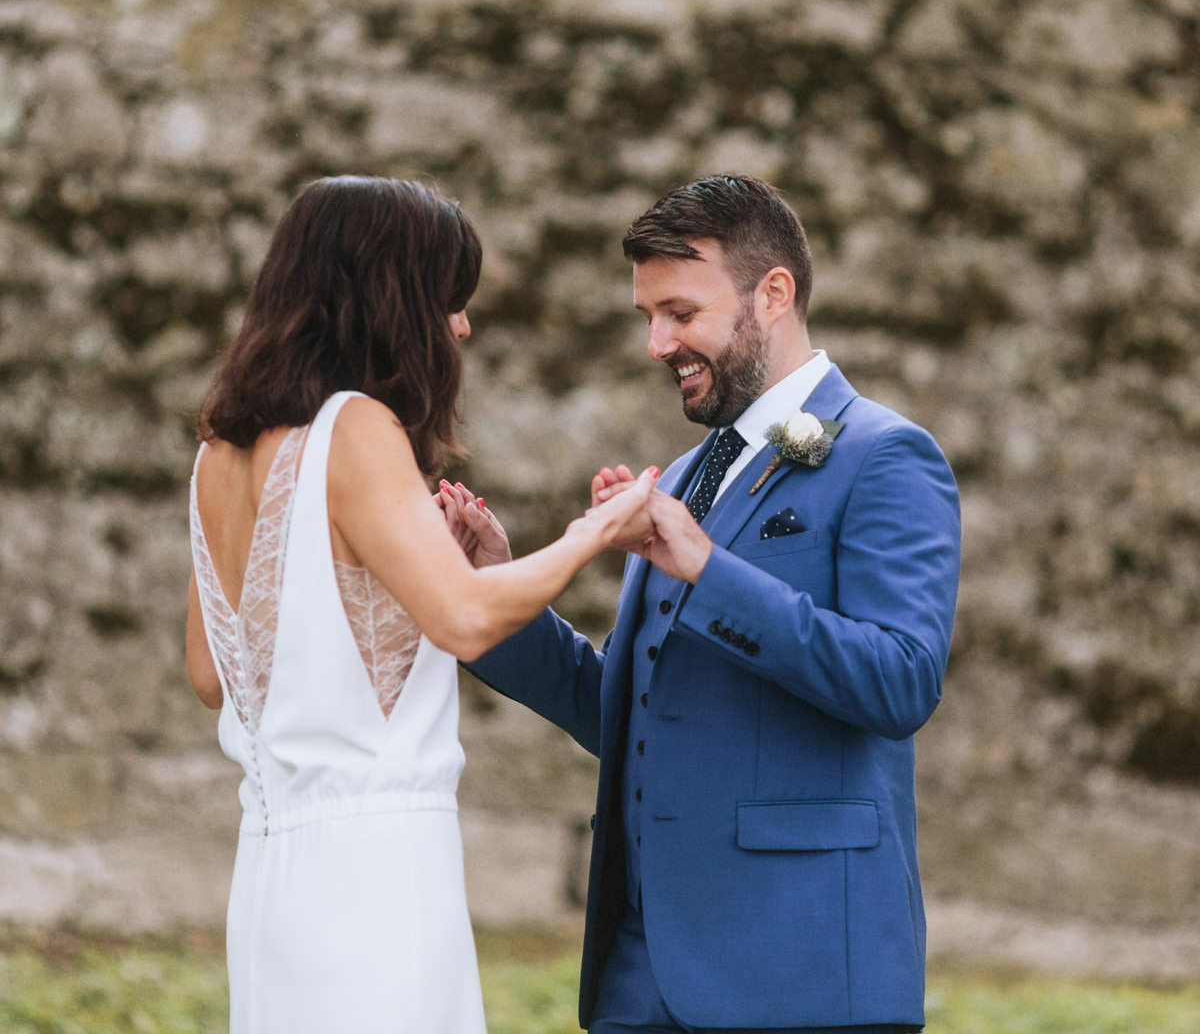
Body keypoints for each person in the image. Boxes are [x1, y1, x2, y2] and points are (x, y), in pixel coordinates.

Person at [442, 175, 961, 1033]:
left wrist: (708, 569)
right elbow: (631, 710)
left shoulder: (886, 456)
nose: (657, 342)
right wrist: (497, 593)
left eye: (680, 313)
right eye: (648, 316)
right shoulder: (685, 477)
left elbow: (900, 682)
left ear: (774, 294)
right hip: (641, 981)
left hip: (801, 977)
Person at [184, 175, 657, 1034]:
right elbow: (466, 618)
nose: (463, 325)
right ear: (390, 296)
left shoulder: (221, 451)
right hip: (377, 868)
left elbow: (211, 673)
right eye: (450, 298)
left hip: (272, 871)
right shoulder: (357, 428)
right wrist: (594, 534)